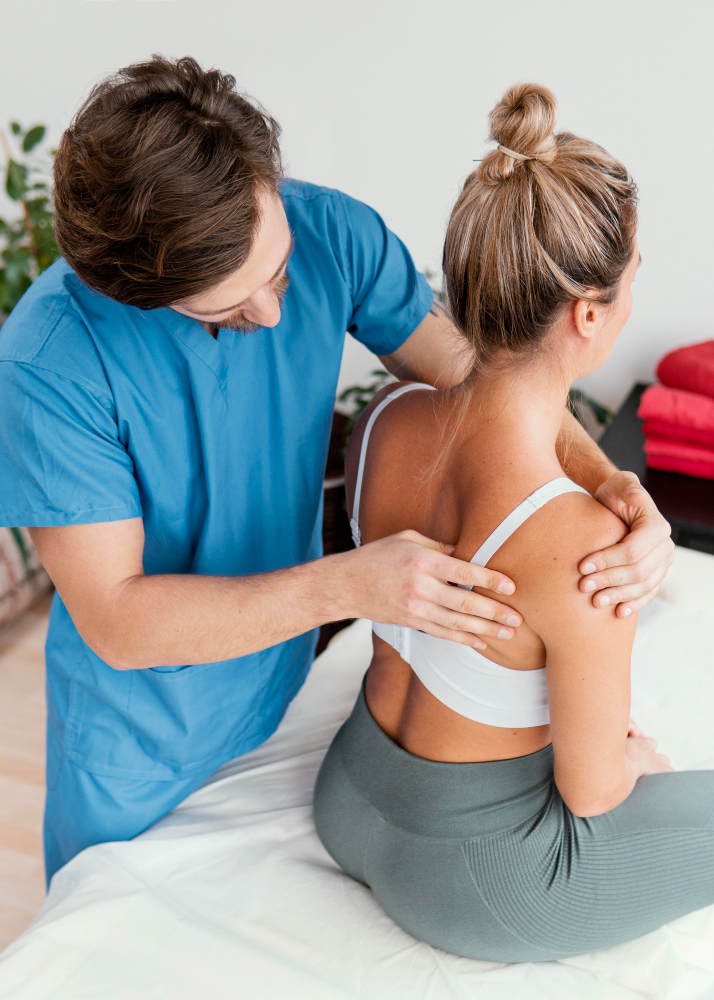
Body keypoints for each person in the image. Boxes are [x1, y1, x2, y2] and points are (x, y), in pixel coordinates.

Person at [0, 59, 672, 886]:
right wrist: (350, 586)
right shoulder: (50, 364)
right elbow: (118, 621)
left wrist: (610, 483)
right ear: (138, 293)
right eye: (229, 308)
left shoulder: (330, 233)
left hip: (284, 700)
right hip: (142, 751)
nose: (274, 311)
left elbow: (489, 383)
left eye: (278, 271)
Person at [314, 83, 714, 962]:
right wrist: (635, 762)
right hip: (466, 880)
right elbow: (594, 794)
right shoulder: (583, 546)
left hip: (349, 791)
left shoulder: (387, 418)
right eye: (633, 277)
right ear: (587, 314)